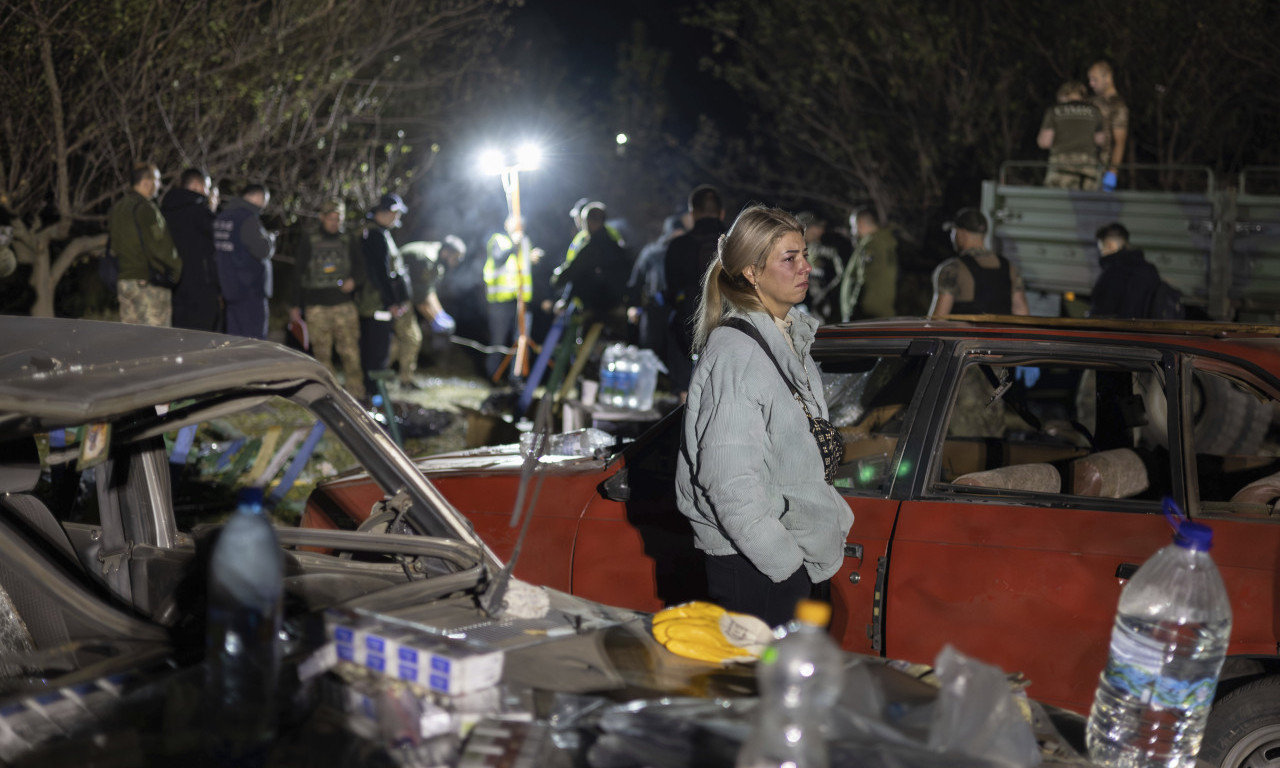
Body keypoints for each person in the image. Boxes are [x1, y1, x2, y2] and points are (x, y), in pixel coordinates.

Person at [675, 205, 854, 627]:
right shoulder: (736, 355)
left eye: (805, 255)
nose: (806, 267)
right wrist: (786, 566)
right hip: (758, 567)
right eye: (789, 258)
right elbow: (729, 483)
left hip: (794, 558)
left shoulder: (788, 335)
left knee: (796, 685)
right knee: (762, 687)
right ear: (752, 272)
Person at [289, 200, 365, 400]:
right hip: (316, 306)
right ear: (322, 218)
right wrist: (294, 305)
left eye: (338, 218)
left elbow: (361, 268)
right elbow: (298, 272)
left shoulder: (348, 239)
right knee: (322, 356)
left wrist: (353, 281)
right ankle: (330, 398)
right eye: (331, 218)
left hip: (343, 305)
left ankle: (357, 396)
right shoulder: (309, 239)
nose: (335, 222)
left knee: (351, 353)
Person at [664, 184, 728, 399]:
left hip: (689, 327)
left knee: (674, 327)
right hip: (732, 325)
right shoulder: (737, 244)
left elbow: (670, 292)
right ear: (722, 213)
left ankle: (684, 406)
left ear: (692, 214)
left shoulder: (678, 246)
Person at [107, 162, 183, 327]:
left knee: (132, 342)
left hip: (125, 283)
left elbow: (113, 246)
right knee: (157, 343)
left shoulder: (118, 208)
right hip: (148, 285)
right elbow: (160, 247)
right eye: (157, 180)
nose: (159, 185)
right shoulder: (146, 209)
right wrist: (175, 271)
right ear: (146, 181)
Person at [357, 193, 416, 394]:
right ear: (385, 213)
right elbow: (379, 274)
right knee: (377, 350)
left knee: (379, 349)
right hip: (376, 305)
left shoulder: (380, 233)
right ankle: (374, 395)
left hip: (377, 303)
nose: (397, 217)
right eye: (396, 213)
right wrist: (391, 301)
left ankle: (374, 392)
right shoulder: (376, 236)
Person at [551, 201, 632, 338]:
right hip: (616, 308)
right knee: (615, 352)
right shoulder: (616, 244)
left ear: (589, 222)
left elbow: (572, 272)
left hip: (593, 310)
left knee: (589, 355)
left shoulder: (589, 247)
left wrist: (556, 278)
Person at [929, 208, 1029, 318]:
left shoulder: (952, 269)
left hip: (965, 335)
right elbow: (1022, 314)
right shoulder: (1009, 268)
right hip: (1000, 335)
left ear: (961, 233)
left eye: (953, 231)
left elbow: (938, 320)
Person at [161, 167, 220, 331]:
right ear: (196, 185)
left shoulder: (165, 210)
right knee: (203, 340)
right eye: (206, 187)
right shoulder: (200, 211)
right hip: (201, 287)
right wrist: (211, 210)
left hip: (175, 284)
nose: (207, 193)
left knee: (181, 338)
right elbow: (216, 238)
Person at [214, 183, 276, 339]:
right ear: (258, 197)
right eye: (264, 201)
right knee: (254, 341)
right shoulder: (247, 218)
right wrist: (271, 240)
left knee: (235, 340)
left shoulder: (222, 217)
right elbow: (262, 250)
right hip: (250, 291)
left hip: (230, 289)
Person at [399, 236, 465, 370]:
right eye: (455, 258)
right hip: (394, 298)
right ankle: (397, 379)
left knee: (410, 338)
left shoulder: (436, 257)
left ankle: (404, 379)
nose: (456, 263)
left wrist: (440, 313)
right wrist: (433, 319)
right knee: (412, 338)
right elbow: (419, 296)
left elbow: (429, 290)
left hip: (404, 295)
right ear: (446, 252)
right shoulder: (427, 259)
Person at [627, 213, 688, 356]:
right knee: (650, 354)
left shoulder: (686, 253)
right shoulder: (651, 253)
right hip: (653, 312)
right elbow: (636, 282)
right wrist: (633, 306)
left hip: (679, 312)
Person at [482, 215, 533, 384]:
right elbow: (498, 259)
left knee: (521, 340)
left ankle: (515, 378)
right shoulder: (499, 240)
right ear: (506, 225)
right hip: (500, 301)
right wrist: (513, 246)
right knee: (498, 340)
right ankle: (493, 376)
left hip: (520, 300)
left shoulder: (525, 242)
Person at [1037, 81, 1107, 190]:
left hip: (1061, 165)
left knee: (1058, 203)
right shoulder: (1094, 111)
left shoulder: (1055, 110)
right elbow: (1100, 140)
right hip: (1088, 165)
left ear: (1063, 94)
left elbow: (1045, 142)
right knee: (1087, 203)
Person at [1088, 222, 1164, 319]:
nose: (1102, 254)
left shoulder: (1111, 274)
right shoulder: (1150, 270)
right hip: (1146, 332)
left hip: (1119, 332)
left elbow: (1099, 313)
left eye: (1102, 250)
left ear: (1110, 245)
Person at [840, 208, 899, 320]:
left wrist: (853, 309)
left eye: (854, 226)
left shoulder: (871, 246)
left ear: (861, 223)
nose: (853, 231)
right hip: (878, 312)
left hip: (868, 315)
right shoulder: (885, 242)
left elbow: (864, 278)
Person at [795, 212, 851, 323]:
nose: (821, 231)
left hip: (823, 308)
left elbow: (840, 275)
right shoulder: (795, 251)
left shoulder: (824, 249)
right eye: (817, 227)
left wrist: (826, 294)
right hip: (806, 307)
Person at [1088, 60, 1129, 191]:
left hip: (1101, 168)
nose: (1091, 83)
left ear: (1108, 78)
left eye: (1095, 79)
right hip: (1084, 165)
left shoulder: (1117, 105)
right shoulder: (1091, 101)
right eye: (1090, 79)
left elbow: (1120, 142)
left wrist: (1112, 172)